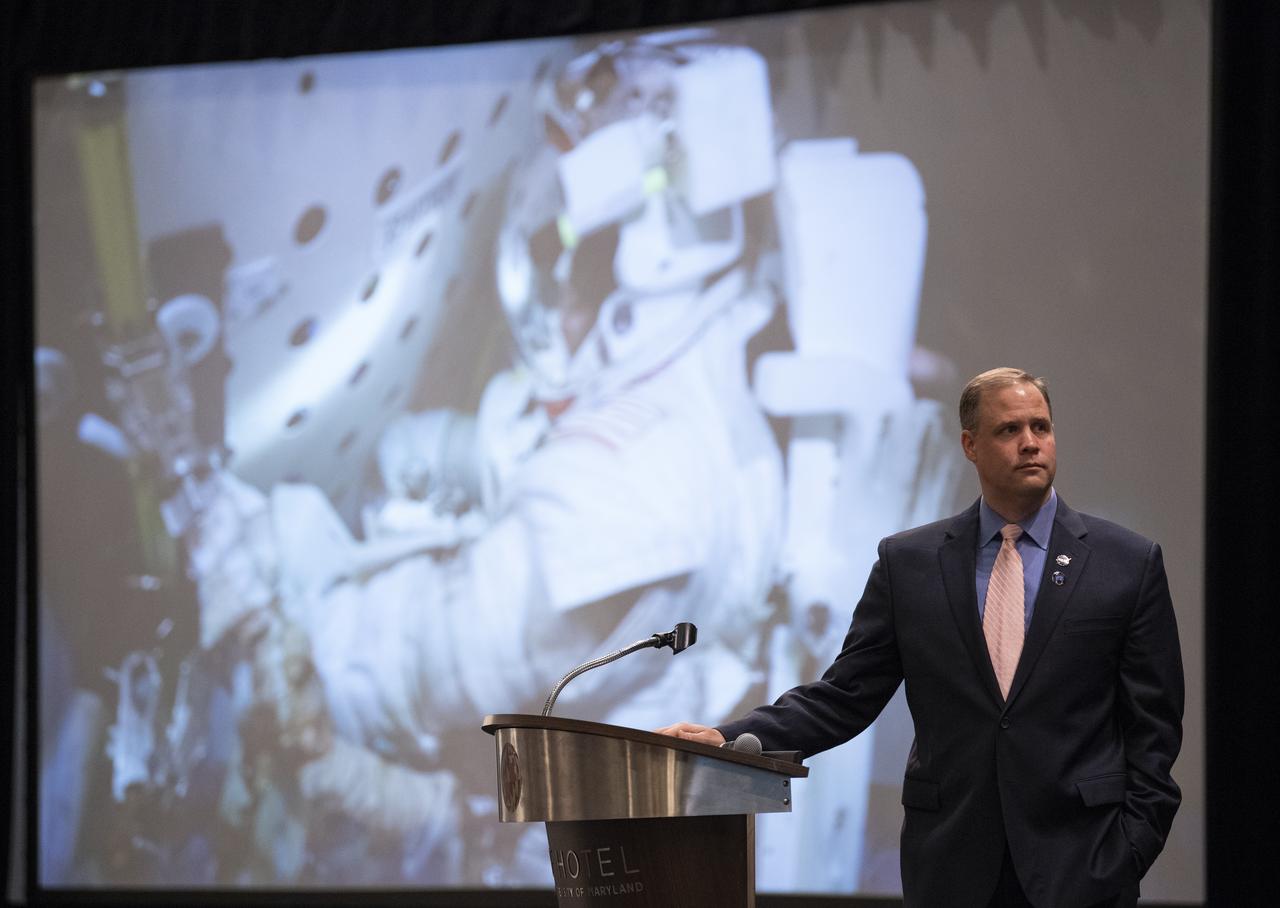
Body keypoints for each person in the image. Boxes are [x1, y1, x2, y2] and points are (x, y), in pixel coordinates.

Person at [657, 367, 1184, 908]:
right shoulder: (909, 563)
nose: (1030, 443)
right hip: (952, 867)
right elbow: (844, 696)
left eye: (1041, 427)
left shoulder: (1126, 563)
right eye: (1009, 430)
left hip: (1083, 866)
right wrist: (730, 740)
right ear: (970, 445)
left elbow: (1155, 730)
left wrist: (1128, 851)